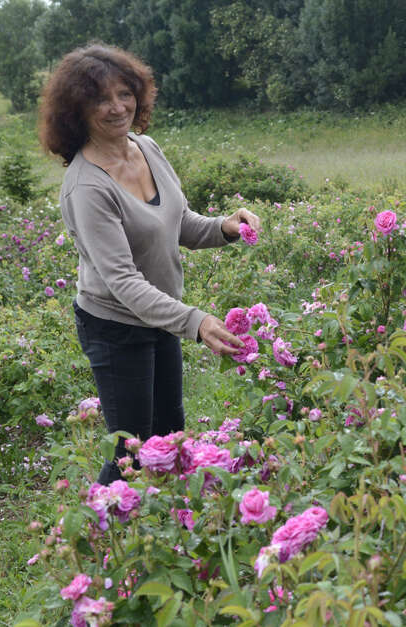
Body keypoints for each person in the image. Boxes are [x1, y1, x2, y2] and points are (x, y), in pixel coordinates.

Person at [39, 44, 260, 485]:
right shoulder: (85, 186)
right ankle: (97, 539)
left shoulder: (146, 148)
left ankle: (163, 533)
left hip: (160, 319)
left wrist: (225, 227)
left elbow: (177, 223)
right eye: (100, 99)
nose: (117, 107)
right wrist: (195, 321)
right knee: (132, 452)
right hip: (116, 327)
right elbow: (121, 281)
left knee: (170, 438)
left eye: (125, 93)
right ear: (76, 111)